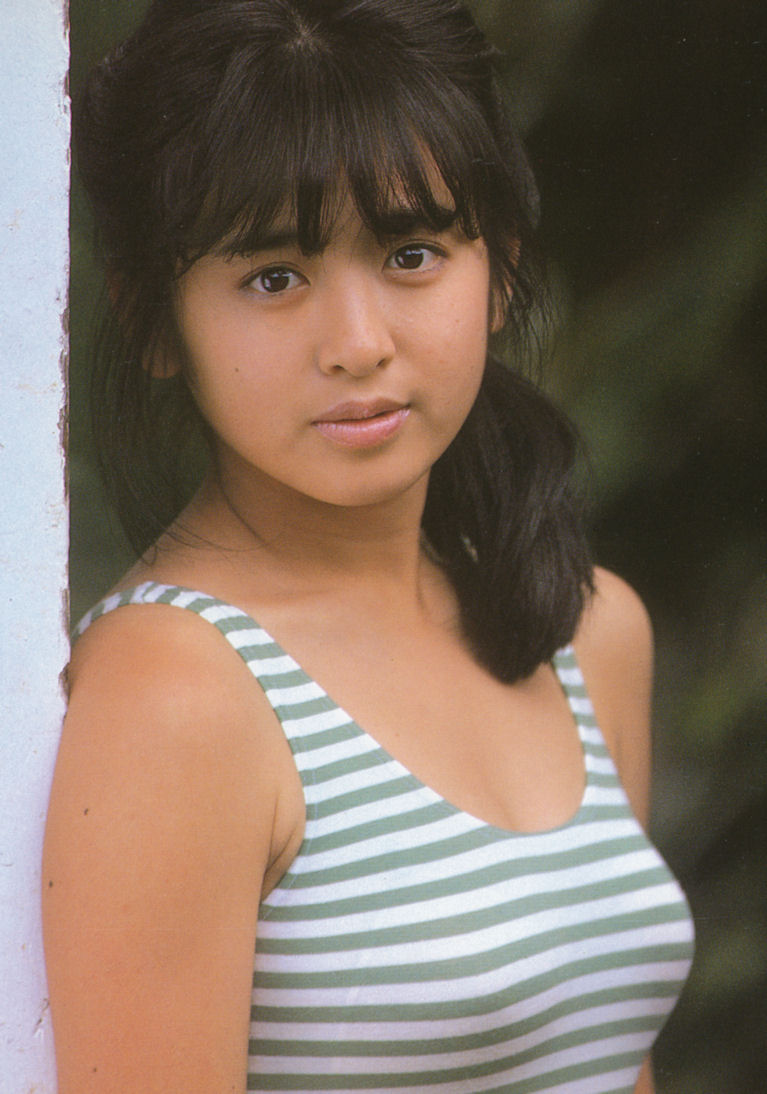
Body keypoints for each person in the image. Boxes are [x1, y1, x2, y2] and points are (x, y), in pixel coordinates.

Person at [42, 1, 694, 1091]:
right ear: (155, 320)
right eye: (273, 276)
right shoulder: (177, 695)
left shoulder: (585, 629)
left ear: (499, 268)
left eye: (410, 253)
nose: (357, 343)